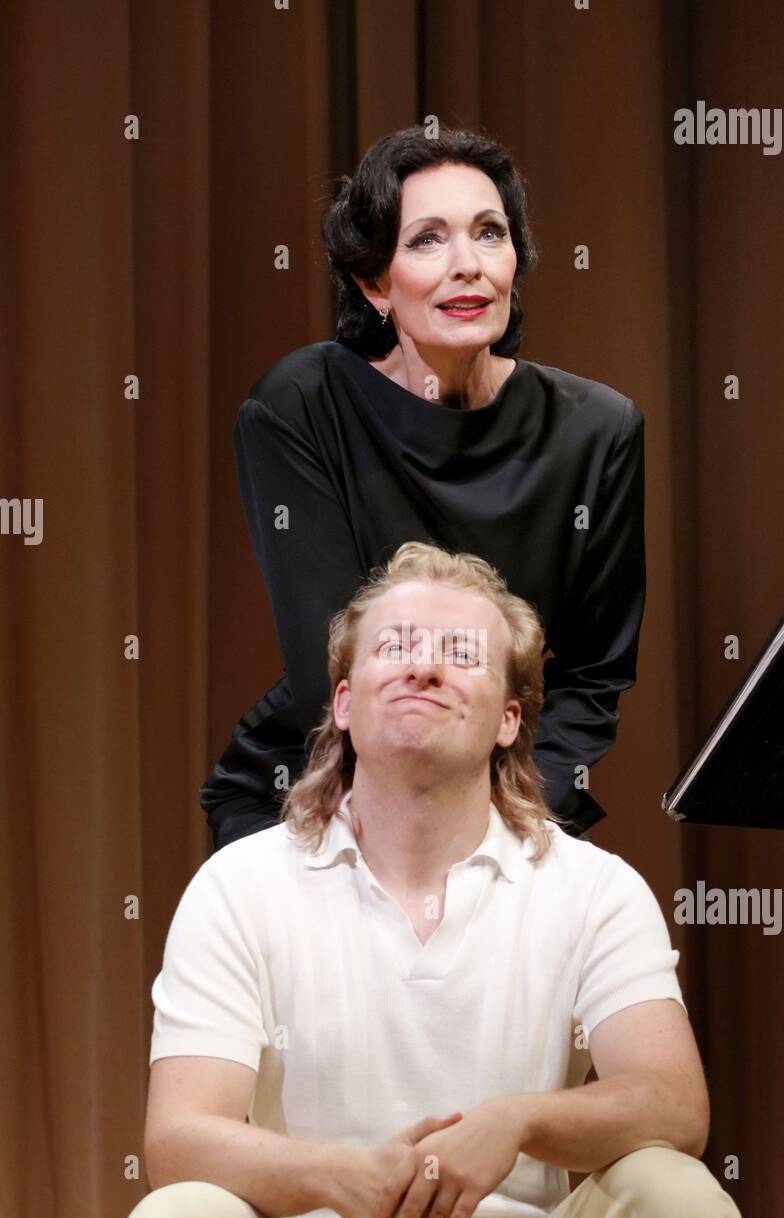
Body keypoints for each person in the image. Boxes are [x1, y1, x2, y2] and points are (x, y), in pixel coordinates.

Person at [104, 543, 744, 1218]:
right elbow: (177, 1140)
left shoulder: (595, 888)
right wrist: (339, 1176)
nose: (424, 667)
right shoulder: (239, 885)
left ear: (510, 719)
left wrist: (516, 1124)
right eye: (396, 647)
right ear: (343, 703)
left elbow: (675, 1105)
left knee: (674, 1193)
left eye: (461, 654)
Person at [201, 124, 646, 851]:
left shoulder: (600, 430)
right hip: (320, 785)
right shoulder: (298, 407)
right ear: (374, 282)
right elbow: (331, 666)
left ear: (515, 261)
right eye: (427, 240)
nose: (467, 265)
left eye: (489, 233)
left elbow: (592, 679)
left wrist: (511, 826)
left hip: (506, 796)